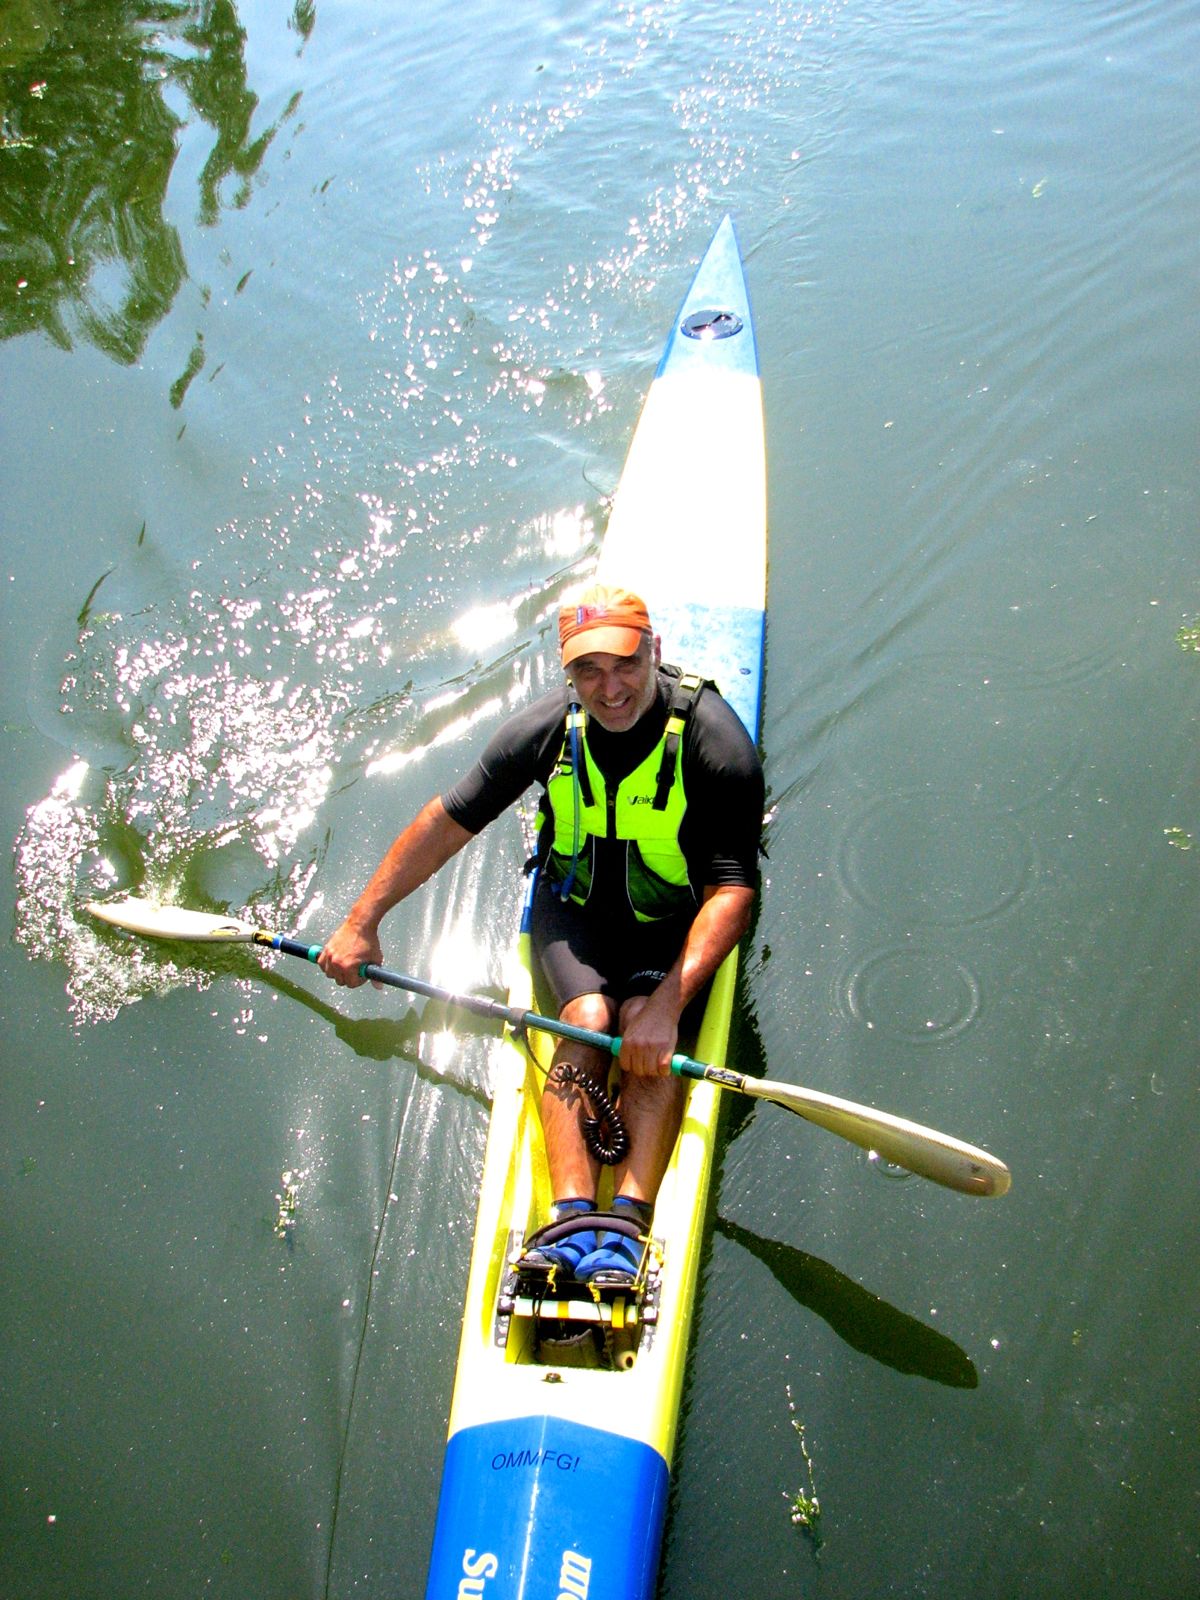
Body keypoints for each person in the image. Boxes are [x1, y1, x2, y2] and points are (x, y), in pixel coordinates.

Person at [318, 583, 764, 1284]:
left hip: (674, 925)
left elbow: (734, 892)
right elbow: (445, 821)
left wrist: (671, 1004)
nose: (609, 687)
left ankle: (627, 1232)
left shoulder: (717, 741)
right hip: (575, 912)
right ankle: (568, 1221)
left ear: (655, 652)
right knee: (586, 1024)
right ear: (567, 673)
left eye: (624, 664)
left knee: (647, 1047)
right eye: (588, 671)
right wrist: (360, 921)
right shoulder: (547, 730)